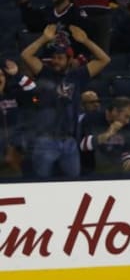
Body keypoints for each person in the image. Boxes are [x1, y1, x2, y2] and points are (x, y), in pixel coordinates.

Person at [20, 24, 110, 178]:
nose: (55, 61)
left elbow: (104, 59)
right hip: (45, 141)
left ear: (70, 59)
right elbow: (26, 55)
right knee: (41, 185)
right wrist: (44, 39)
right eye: (54, 58)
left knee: (73, 185)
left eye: (60, 58)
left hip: (69, 141)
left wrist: (85, 41)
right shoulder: (45, 73)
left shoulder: (78, 76)